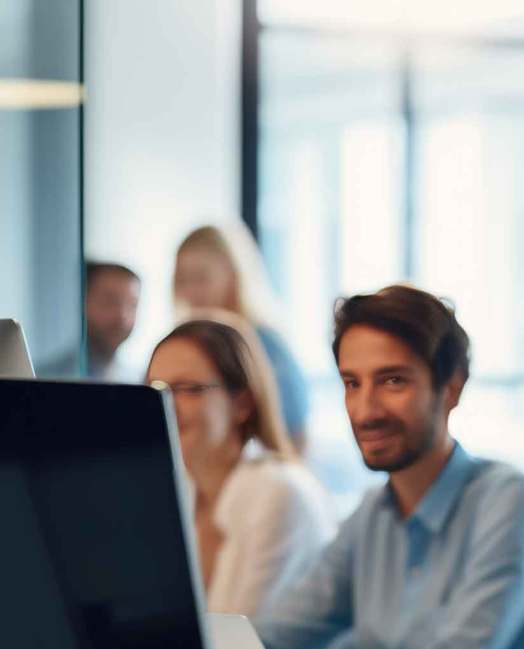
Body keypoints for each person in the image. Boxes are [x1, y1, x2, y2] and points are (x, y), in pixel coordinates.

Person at [254, 284, 524, 649]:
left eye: (393, 381)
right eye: (352, 383)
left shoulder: (512, 504)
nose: (365, 411)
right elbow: (276, 637)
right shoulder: (372, 514)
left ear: (451, 388)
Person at [145, 312, 334, 616]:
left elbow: (244, 635)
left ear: (242, 403)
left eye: (189, 389)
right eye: (156, 390)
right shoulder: (177, 490)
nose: (167, 405)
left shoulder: (278, 492)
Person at [173, 222, 310, 449]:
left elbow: (297, 440)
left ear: (233, 275)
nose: (191, 292)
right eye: (182, 280)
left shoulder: (267, 345)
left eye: (201, 278)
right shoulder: (178, 347)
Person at [40, 261, 141, 381]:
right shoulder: (44, 378)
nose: (122, 316)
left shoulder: (138, 380)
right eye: (109, 302)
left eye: (132, 305)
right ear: (82, 301)